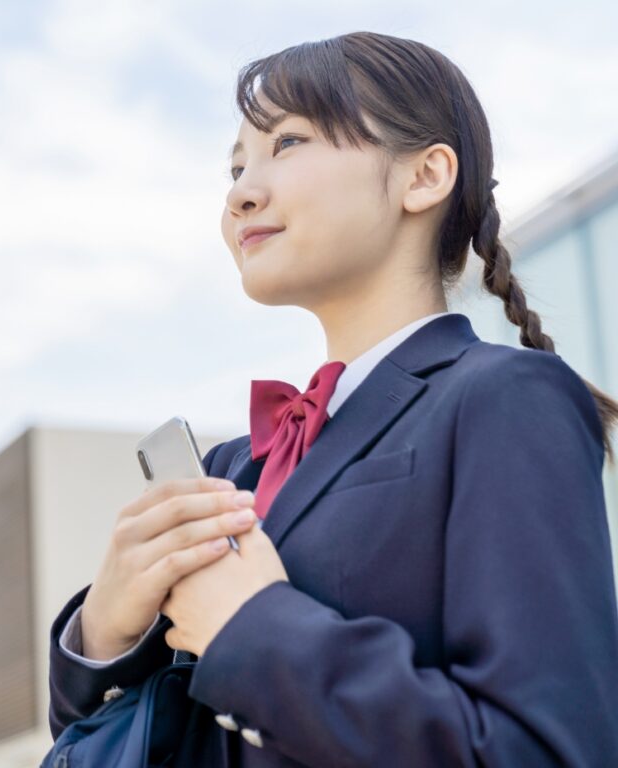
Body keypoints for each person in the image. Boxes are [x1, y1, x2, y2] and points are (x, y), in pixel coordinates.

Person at [46, 30, 618, 766]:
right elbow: (103, 736)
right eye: (236, 165)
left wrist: (252, 630)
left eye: (287, 143)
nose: (241, 190)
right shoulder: (235, 466)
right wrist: (106, 630)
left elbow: (546, 749)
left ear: (424, 176)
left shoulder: (506, 399)